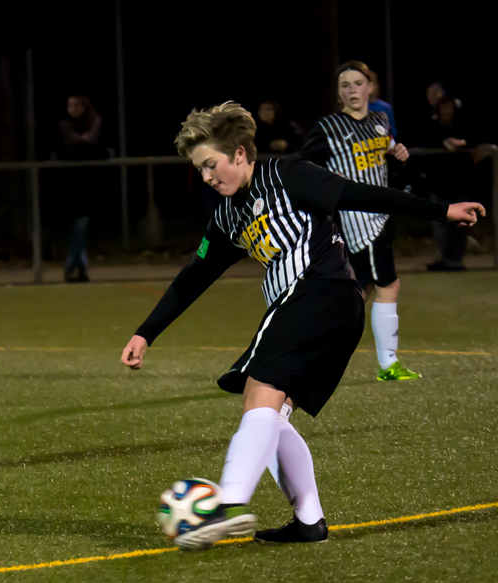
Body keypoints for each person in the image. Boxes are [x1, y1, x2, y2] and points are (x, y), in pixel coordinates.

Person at [120, 101, 482, 549]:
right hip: (324, 305)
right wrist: (145, 332)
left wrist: (441, 210)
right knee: (272, 417)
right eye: (200, 171)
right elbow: (193, 278)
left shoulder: (288, 175)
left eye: (211, 165)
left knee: (260, 394)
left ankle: (228, 502)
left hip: (317, 292)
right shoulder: (227, 217)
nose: (208, 177)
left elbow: (358, 194)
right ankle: (309, 521)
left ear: (238, 153)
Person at [301, 61, 418, 382]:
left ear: (370, 87)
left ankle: (309, 357)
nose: (352, 90)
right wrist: (328, 178)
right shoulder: (329, 127)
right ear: (339, 92)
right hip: (359, 222)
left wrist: (399, 154)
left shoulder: (380, 121)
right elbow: (302, 165)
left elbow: (385, 152)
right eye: (345, 85)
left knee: (355, 294)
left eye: (358, 83)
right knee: (387, 285)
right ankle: (388, 365)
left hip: (381, 216)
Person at [423, 96, 475, 271]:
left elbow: (476, 137)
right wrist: (445, 142)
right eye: (443, 108)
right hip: (439, 185)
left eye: (449, 107)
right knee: (440, 226)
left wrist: (462, 142)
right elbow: (427, 139)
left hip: (460, 184)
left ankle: (456, 260)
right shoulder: (433, 127)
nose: (446, 111)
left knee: (460, 225)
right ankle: (446, 259)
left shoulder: (463, 126)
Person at [57, 94, 105, 283]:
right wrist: (82, 141)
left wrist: (84, 141)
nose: (73, 108)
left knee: (81, 224)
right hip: (69, 180)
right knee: (77, 226)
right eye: (69, 105)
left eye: (76, 105)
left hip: (88, 180)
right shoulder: (63, 123)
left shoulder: (95, 120)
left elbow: (93, 141)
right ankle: (80, 267)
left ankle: (72, 266)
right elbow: (70, 142)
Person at [368, 71, 398, 138]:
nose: (370, 87)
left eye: (373, 83)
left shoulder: (386, 107)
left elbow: (393, 131)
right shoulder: (360, 108)